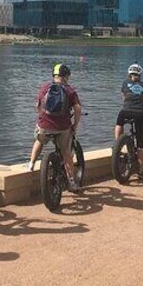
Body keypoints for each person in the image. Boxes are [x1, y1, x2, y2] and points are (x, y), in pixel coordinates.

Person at [25, 64, 83, 192]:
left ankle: (31, 165)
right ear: (66, 76)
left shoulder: (45, 87)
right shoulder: (70, 90)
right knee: (66, 153)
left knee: (39, 141)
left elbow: (38, 106)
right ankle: (71, 182)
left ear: (54, 76)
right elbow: (78, 109)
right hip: (62, 128)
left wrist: (42, 120)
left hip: (44, 126)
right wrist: (75, 125)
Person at [115, 63, 143, 180]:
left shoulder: (125, 83)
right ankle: (140, 171)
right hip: (140, 113)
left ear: (129, 74)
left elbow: (124, 98)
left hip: (126, 110)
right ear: (140, 75)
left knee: (119, 122)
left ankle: (117, 144)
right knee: (141, 144)